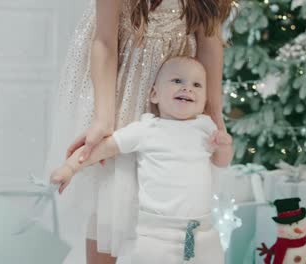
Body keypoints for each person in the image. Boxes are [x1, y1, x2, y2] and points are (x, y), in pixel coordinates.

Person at [43, 0, 234, 263]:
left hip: (174, 83)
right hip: (118, 84)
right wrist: (103, 118)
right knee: (110, 195)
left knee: (162, 190)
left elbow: (210, 40)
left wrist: (213, 111)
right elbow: (105, 41)